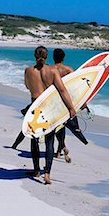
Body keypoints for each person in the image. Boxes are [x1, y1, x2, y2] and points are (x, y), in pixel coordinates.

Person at [24, 46, 76, 185]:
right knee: (49, 141)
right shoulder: (53, 71)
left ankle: (36, 170)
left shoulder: (28, 71)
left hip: (35, 108)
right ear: (47, 57)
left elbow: (27, 86)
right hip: (49, 108)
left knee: (34, 138)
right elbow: (62, 90)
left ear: (35, 56)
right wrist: (71, 107)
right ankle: (47, 174)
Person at [52, 48, 74, 162]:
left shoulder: (50, 69)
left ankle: (61, 149)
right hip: (65, 100)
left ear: (53, 57)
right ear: (63, 58)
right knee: (62, 125)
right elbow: (76, 86)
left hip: (54, 100)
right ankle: (60, 150)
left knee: (56, 126)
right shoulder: (68, 70)